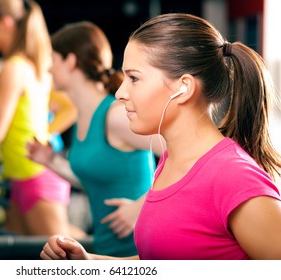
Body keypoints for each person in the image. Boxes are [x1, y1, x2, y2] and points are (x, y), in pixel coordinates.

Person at [39, 13, 281, 260]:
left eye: (134, 78)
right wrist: (89, 262)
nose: (121, 92)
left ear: (183, 88)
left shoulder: (233, 176)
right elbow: (157, 261)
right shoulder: (169, 162)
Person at [26, 21, 163, 257]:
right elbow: (92, 179)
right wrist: (50, 161)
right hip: (106, 248)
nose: (48, 69)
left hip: (139, 250)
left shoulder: (116, 116)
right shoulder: (84, 117)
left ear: (70, 61)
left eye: (53, 59)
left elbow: (185, 152)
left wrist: (142, 205)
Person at [0, 0, 85, 238]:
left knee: (64, 260)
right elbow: (22, 114)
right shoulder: (26, 64)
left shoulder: (13, 68)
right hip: (22, 177)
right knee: (17, 254)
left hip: (35, 177)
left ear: (5, 23)